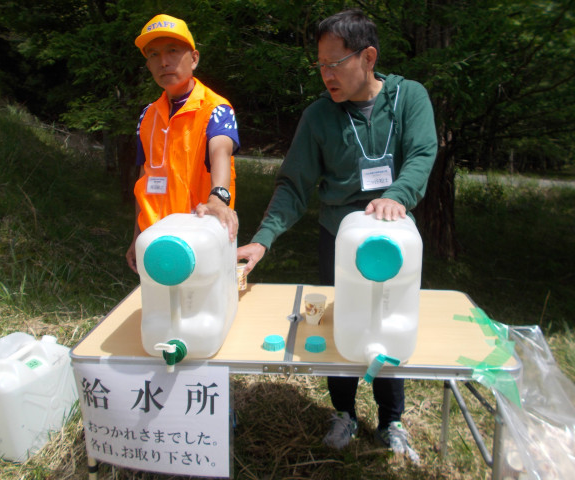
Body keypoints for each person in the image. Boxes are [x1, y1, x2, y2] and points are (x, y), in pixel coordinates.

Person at [237, 9, 437, 460]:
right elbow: (294, 184)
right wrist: (263, 238)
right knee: (341, 323)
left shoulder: (409, 98)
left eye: (335, 63)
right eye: (320, 64)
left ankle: (391, 420)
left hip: (392, 240)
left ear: (368, 57)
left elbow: (422, 155)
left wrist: (397, 195)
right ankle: (343, 411)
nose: (326, 74)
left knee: (390, 323)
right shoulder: (319, 116)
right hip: (339, 239)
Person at [126, 14, 240, 273]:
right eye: (154, 54)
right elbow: (145, 177)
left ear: (194, 58)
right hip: (154, 242)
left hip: (199, 239)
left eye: (173, 51)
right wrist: (136, 236)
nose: (163, 62)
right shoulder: (148, 115)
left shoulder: (216, 109)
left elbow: (221, 153)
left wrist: (218, 199)